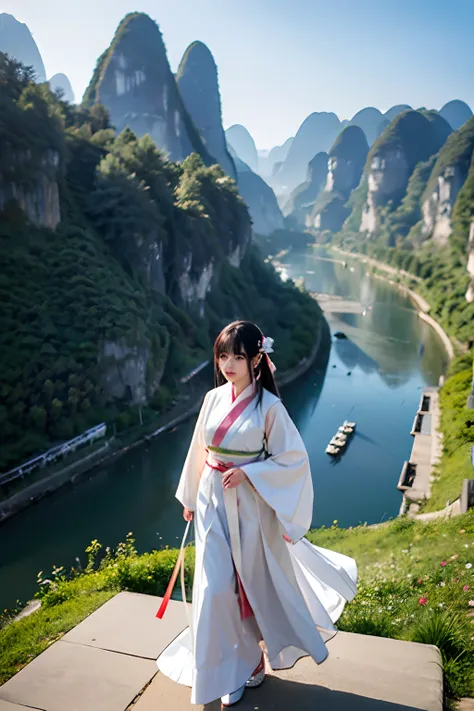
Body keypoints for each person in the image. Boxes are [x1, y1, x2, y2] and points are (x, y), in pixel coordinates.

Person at [156, 320, 357, 707]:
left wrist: (250, 472)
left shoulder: (270, 408)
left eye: (238, 356)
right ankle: (227, 668)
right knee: (214, 589)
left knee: (245, 587)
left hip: (251, 507)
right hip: (213, 499)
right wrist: (190, 498)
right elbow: (199, 447)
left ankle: (250, 662)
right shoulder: (213, 399)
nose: (228, 364)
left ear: (256, 361)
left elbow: (293, 460)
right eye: (223, 356)